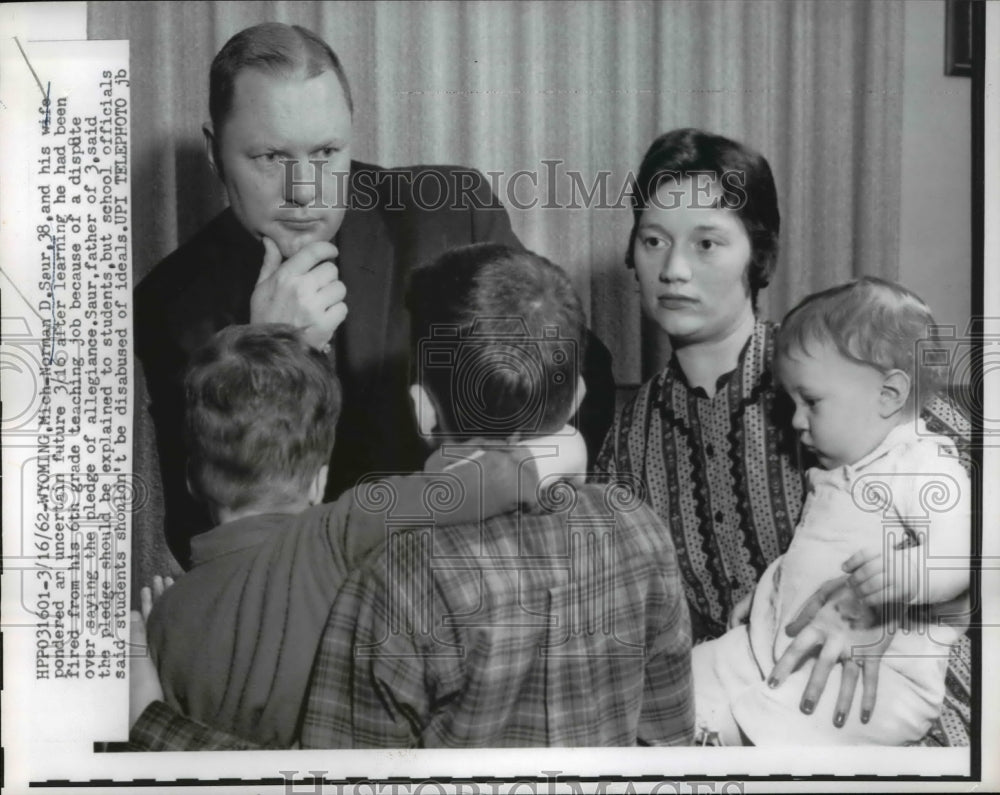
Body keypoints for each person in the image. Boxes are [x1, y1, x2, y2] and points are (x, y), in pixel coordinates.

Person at [130, 244, 694, 749]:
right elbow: (668, 745)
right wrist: (562, 454)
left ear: (423, 410)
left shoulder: (395, 584)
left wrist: (150, 722)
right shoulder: (643, 531)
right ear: (576, 398)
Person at [134, 22, 615, 570]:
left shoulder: (451, 216)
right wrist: (273, 353)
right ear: (215, 152)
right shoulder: (170, 303)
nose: (305, 191)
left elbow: (583, 376)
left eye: (326, 152)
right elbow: (203, 530)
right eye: (269, 157)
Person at [596, 128, 973, 745]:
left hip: (892, 705)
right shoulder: (629, 437)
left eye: (708, 242)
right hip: (742, 697)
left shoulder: (843, 368)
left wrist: (891, 614)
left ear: (758, 254)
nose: (673, 269)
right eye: (653, 240)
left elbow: (972, 529)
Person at [144, 322, 587, 747]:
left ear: (191, 479)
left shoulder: (163, 619)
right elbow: (489, 483)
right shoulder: (339, 530)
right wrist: (570, 447)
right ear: (319, 479)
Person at [691, 278, 970, 745]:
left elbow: (965, 551)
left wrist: (906, 574)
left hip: (879, 677)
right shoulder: (834, 472)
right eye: (790, 403)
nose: (796, 420)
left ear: (888, 395)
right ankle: (688, 732)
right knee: (698, 670)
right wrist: (771, 592)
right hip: (781, 645)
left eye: (811, 402)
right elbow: (824, 552)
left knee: (787, 715)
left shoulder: (919, 461)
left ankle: (720, 745)